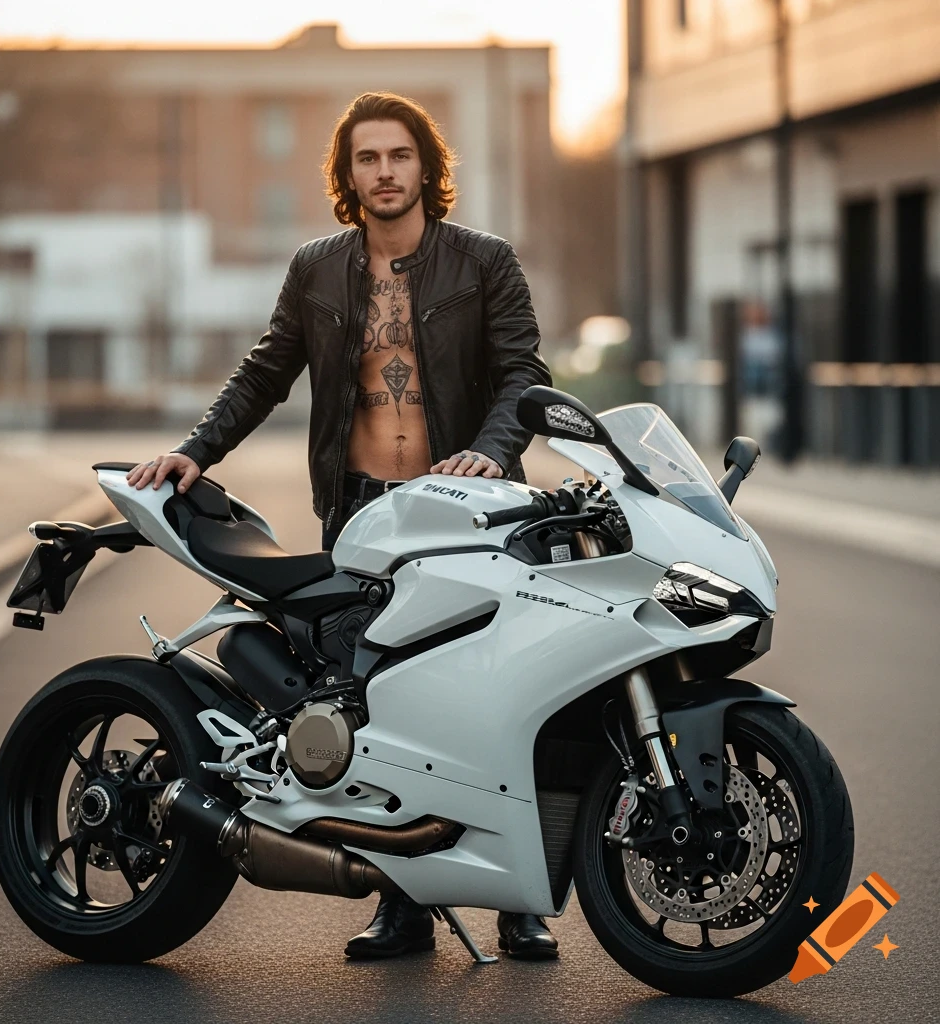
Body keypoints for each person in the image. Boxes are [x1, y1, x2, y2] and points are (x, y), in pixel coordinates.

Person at [127, 91, 556, 960]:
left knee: (492, 696)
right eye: (368, 158)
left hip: (467, 509)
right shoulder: (318, 267)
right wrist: (193, 452)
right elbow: (264, 372)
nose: (385, 172)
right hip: (363, 510)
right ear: (347, 172)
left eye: (400, 156)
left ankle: (521, 901)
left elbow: (525, 376)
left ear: (426, 168)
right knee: (376, 712)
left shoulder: (483, 262)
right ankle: (400, 900)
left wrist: (490, 453)